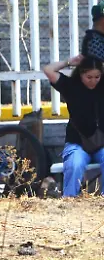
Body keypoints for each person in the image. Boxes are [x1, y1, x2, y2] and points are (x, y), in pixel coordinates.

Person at [42, 54, 104, 197]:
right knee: (75, 164)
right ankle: (69, 202)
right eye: (89, 77)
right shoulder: (70, 86)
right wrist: (69, 62)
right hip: (77, 142)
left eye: (97, 77)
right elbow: (48, 70)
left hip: (102, 143)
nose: (93, 81)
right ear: (81, 74)